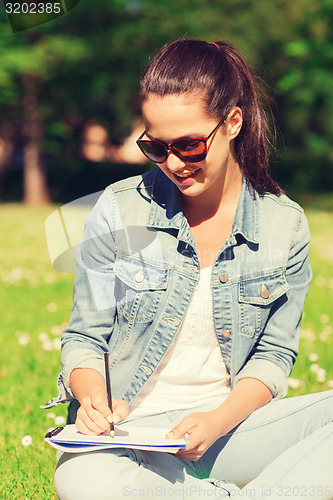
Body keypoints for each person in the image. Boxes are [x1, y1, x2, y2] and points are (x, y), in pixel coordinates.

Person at [49, 39, 333, 499]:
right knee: (79, 478)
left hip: (226, 433)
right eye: (156, 148)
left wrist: (216, 420)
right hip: (124, 439)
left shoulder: (285, 226)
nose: (174, 164)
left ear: (233, 122)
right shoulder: (120, 210)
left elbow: (273, 356)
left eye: (189, 145)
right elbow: (85, 336)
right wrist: (92, 399)